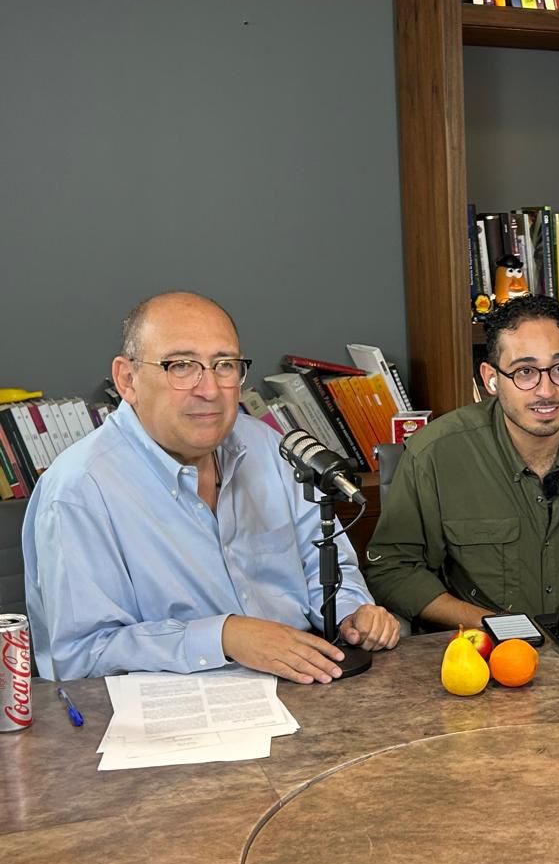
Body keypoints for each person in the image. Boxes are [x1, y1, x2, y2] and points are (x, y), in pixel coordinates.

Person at [23, 292, 399, 683]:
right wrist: (224, 636)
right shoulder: (78, 490)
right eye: (181, 366)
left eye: (225, 365)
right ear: (127, 380)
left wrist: (353, 615)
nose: (210, 390)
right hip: (173, 706)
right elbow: (78, 657)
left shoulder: (270, 448)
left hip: (306, 681)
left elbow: (327, 565)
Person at [366, 295, 559, 629]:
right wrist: (495, 625)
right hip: (485, 645)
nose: (546, 391)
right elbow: (392, 570)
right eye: (525, 372)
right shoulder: (433, 453)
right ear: (491, 378)